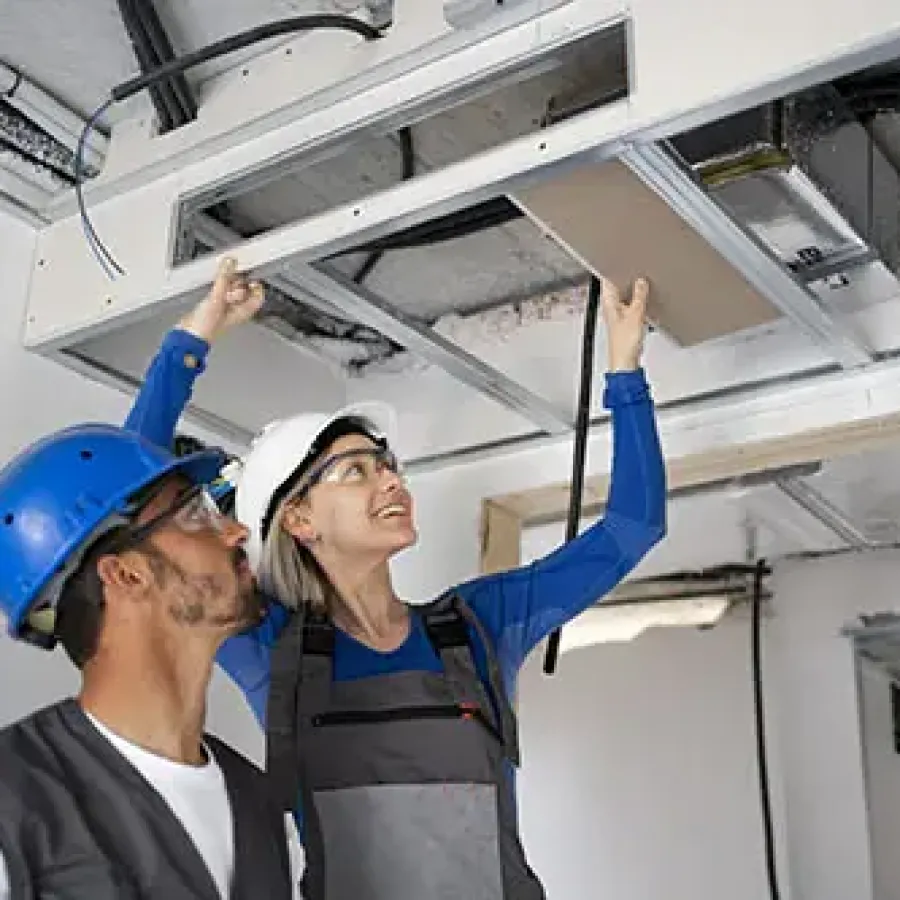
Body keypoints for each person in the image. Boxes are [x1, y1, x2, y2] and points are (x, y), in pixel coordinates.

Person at [125, 256, 667, 899]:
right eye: (357, 470)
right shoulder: (271, 646)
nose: (391, 480)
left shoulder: (478, 626)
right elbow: (134, 511)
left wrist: (626, 371)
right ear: (298, 518)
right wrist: (193, 338)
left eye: (387, 465)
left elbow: (633, 527)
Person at [0, 421, 300, 899]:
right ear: (126, 574)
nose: (236, 531)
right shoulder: (14, 797)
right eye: (196, 515)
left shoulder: (258, 802)